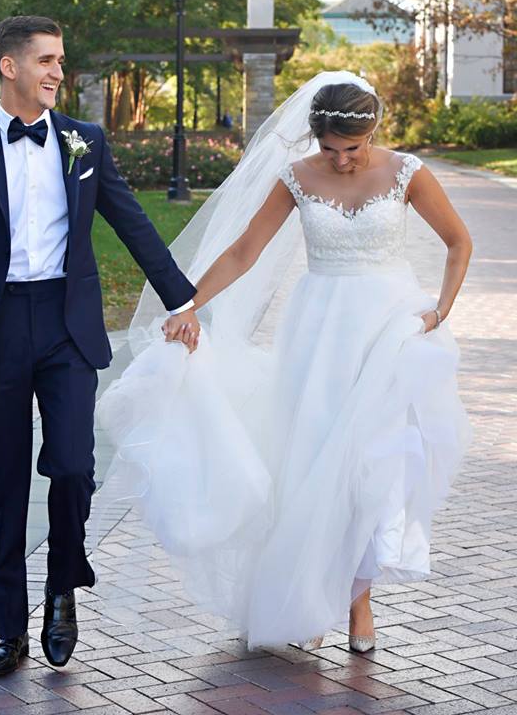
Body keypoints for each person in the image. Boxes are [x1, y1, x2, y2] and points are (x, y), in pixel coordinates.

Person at [96, 70, 472, 652]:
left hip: (388, 328)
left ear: (374, 131)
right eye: (331, 149)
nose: (343, 160)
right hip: (318, 331)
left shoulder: (406, 173)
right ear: (315, 139)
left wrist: (438, 313)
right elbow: (245, 250)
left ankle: (359, 600)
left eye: (354, 148)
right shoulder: (296, 178)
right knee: (313, 461)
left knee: (370, 463)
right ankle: (310, 597)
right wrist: (190, 304)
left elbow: (458, 241)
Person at [0, 15, 200, 677]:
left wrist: (182, 301)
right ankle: (9, 629)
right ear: (9, 67)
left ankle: (63, 585)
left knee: (71, 465)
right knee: (1, 483)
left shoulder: (84, 141)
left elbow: (131, 220)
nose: (60, 72)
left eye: (62, 60)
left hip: (66, 325)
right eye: (47, 61)